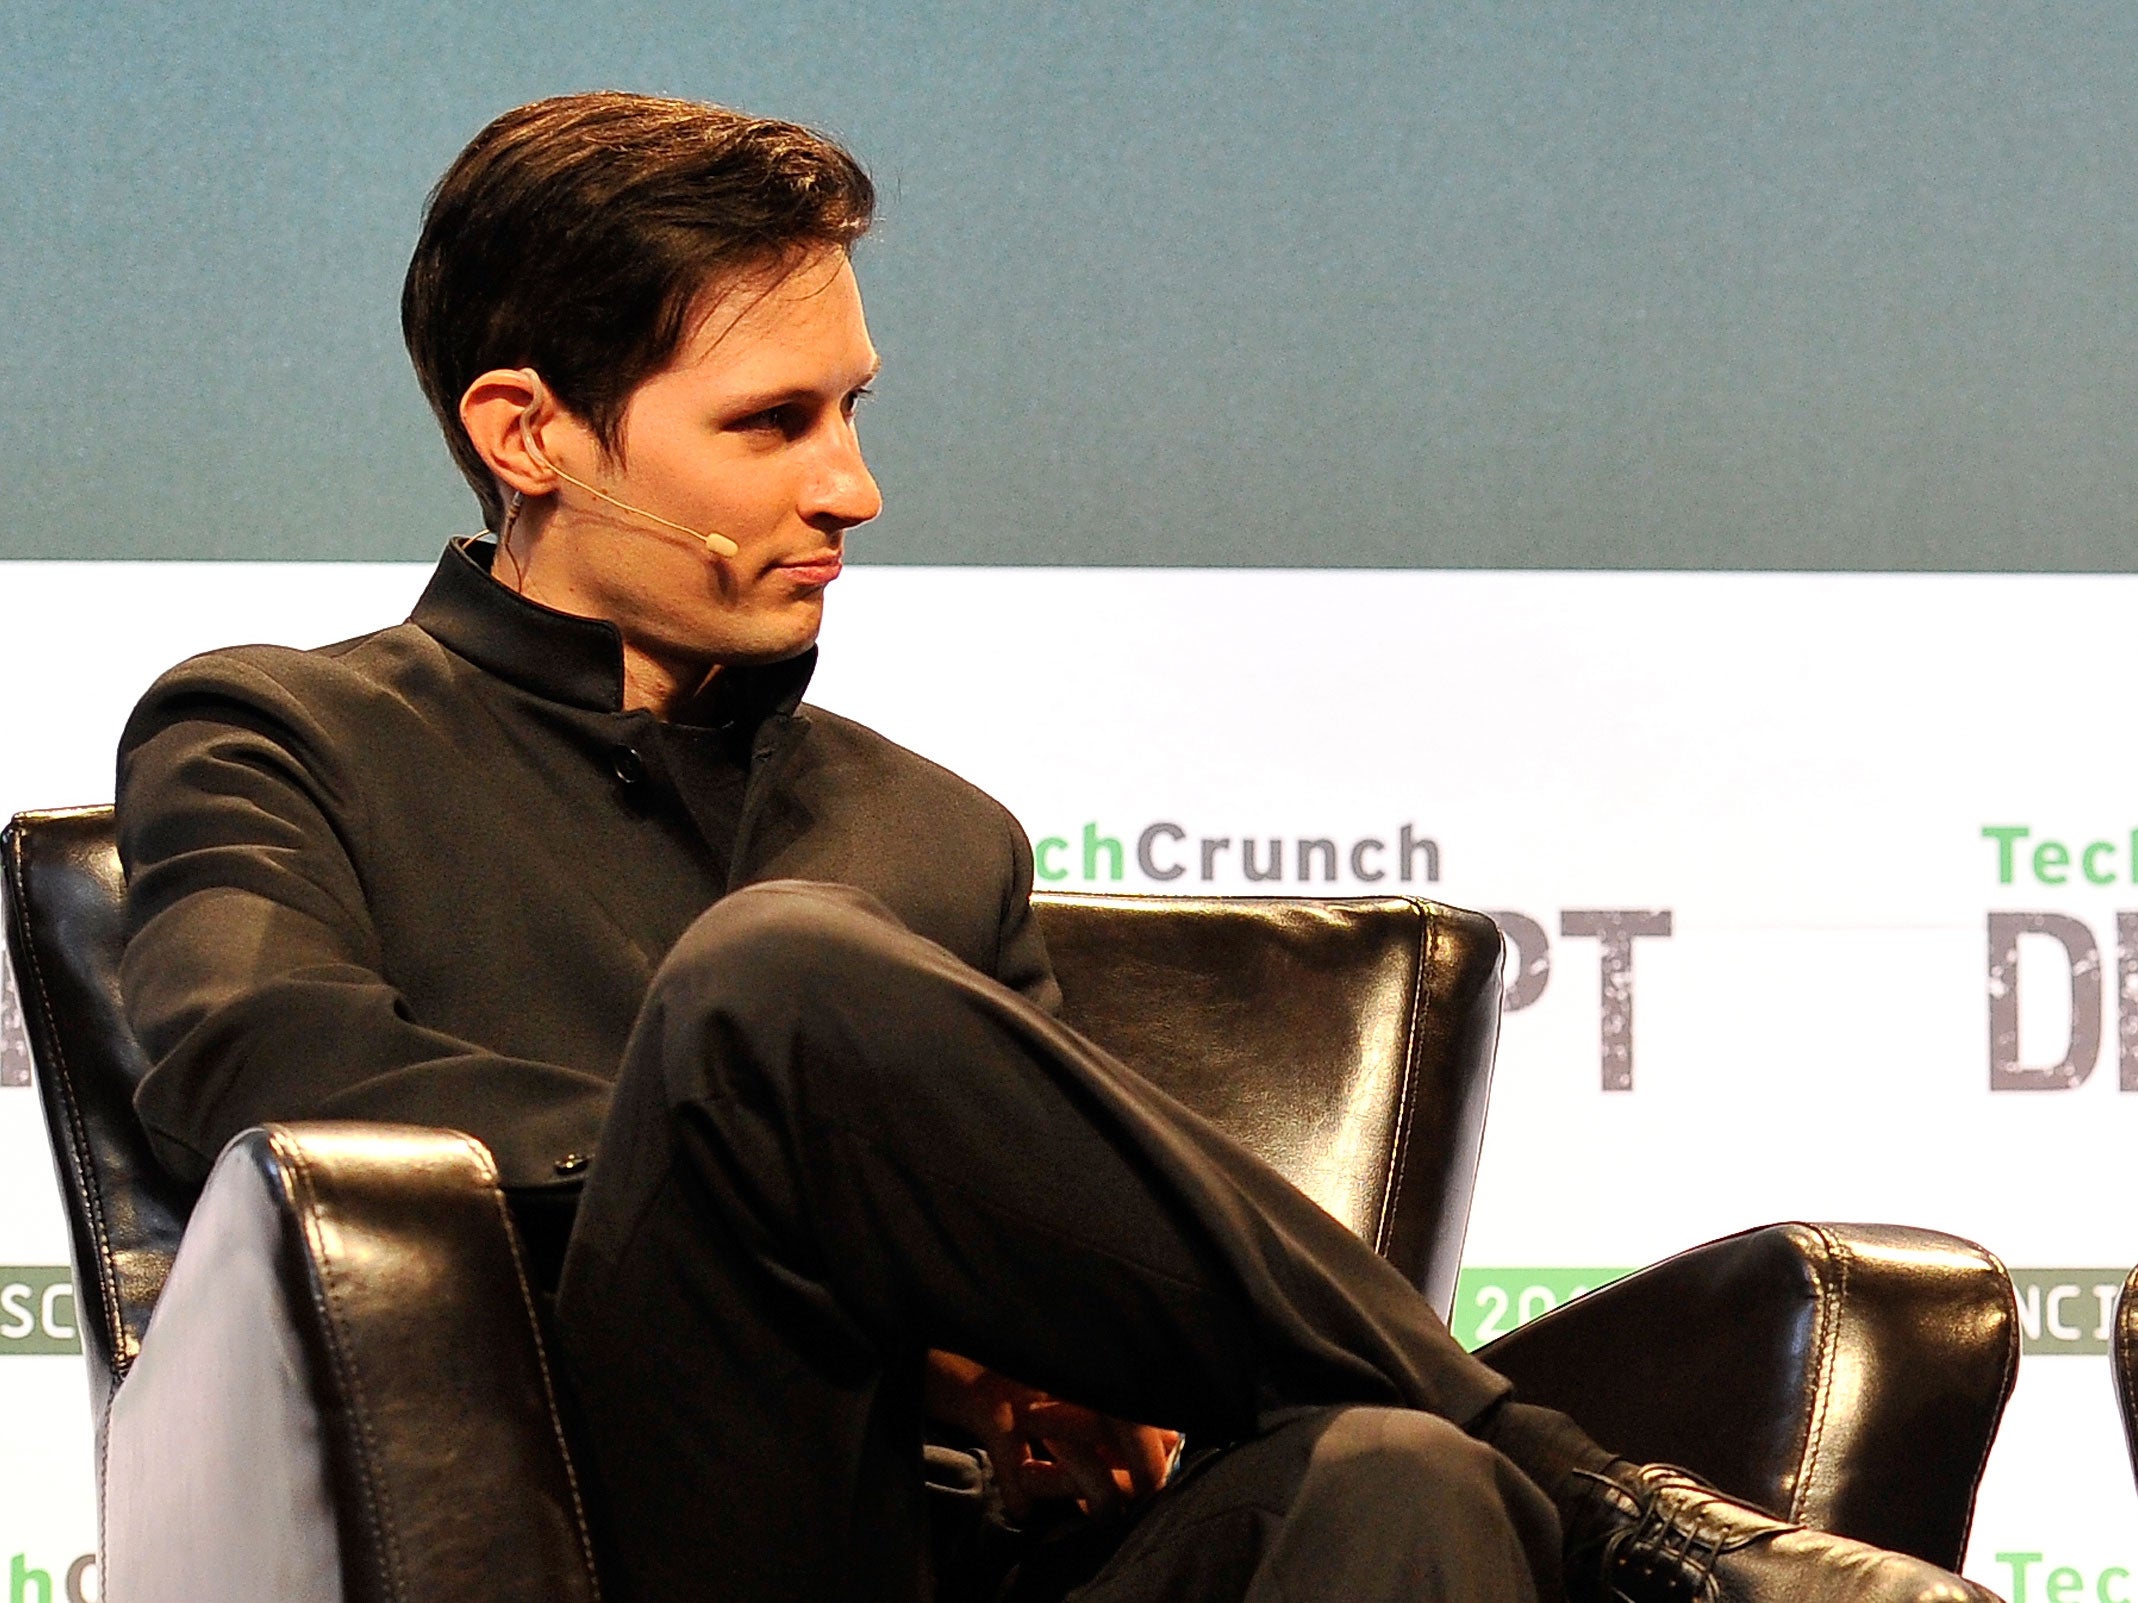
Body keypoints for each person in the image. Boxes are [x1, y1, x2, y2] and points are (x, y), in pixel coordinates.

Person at [113, 92, 1998, 1603]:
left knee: (1388, 1477)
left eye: (851, 412)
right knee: (778, 983)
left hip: (993, 1566)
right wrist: (802, 1179)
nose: (850, 488)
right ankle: (1611, 1511)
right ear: (527, 430)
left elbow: (1048, 1227)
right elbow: (256, 1073)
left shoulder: (928, 830)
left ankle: (1510, 1475)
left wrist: (1059, 1354)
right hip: (617, 1513)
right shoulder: (283, 731)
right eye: (771, 423)